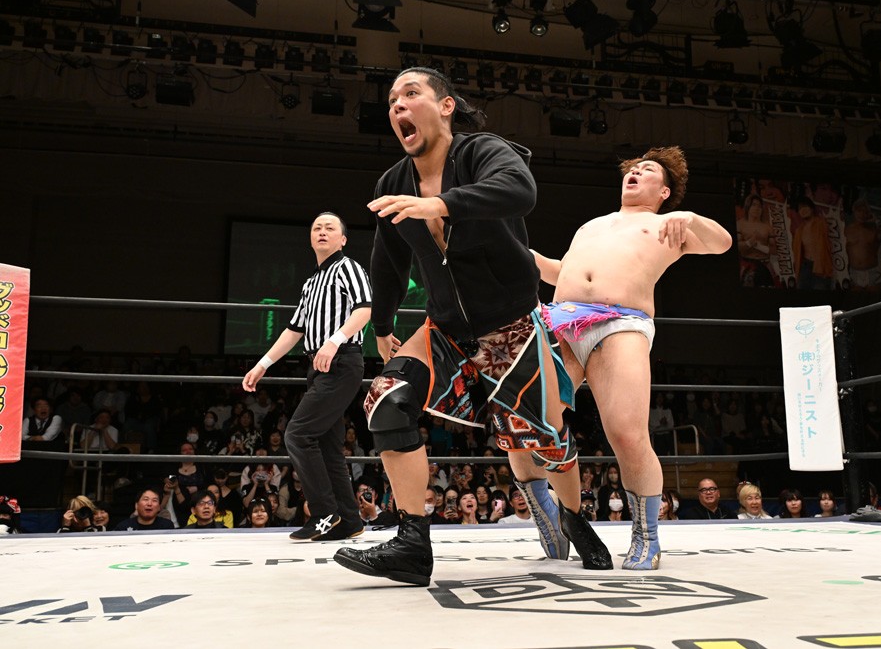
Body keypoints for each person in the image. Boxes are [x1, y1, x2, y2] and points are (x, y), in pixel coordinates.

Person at [333, 66, 611, 587]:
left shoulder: (482, 152)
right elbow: (388, 259)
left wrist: (440, 204)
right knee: (386, 400)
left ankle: (574, 517)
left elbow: (520, 190)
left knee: (546, 441)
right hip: (444, 327)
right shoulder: (393, 183)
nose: (397, 106)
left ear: (446, 106)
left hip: (511, 326)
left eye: (410, 94)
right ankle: (412, 544)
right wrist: (383, 323)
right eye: (391, 100)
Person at [532, 146, 732, 569]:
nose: (636, 172)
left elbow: (722, 243)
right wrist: (523, 257)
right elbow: (561, 271)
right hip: (560, 320)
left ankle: (646, 534)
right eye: (633, 168)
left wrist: (690, 218)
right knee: (530, 420)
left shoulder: (667, 226)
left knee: (627, 433)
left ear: (665, 191)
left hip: (619, 322)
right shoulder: (591, 226)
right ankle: (550, 512)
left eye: (648, 169)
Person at [242, 211, 372, 543]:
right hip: (318, 365)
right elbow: (294, 329)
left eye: (330, 228)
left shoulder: (349, 268)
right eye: (317, 228)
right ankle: (349, 520)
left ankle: (324, 513)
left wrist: (334, 340)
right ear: (311, 238)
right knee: (327, 446)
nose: (322, 231)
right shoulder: (311, 282)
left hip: (341, 360)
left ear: (343, 239)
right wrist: (263, 364)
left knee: (298, 435)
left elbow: (365, 308)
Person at [791, 195, 833, 291]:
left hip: (820, 265)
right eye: (800, 208)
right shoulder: (799, 230)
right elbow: (797, 252)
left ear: (812, 208)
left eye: (805, 206)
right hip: (805, 266)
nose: (803, 210)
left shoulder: (821, 223)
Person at [844, 198, 881, 291]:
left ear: (868, 213)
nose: (862, 214)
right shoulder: (846, 230)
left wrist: (876, 222)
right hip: (854, 272)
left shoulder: (874, 230)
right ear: (854, 211)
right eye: (859, 211)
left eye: (865, 212)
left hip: (872, 271)